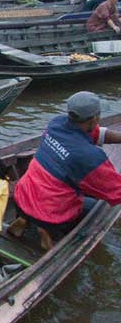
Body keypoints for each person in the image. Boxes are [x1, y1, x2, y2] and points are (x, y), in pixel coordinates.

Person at [8, 91, 121, 250]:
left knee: (59, 179)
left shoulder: (56, 123)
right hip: (50, 216)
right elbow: (116, 193)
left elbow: (96, 133)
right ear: (95, 118)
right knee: (97, 207)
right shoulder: (90, 157)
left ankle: (25, 219)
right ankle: (48, 232)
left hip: (21, 197)